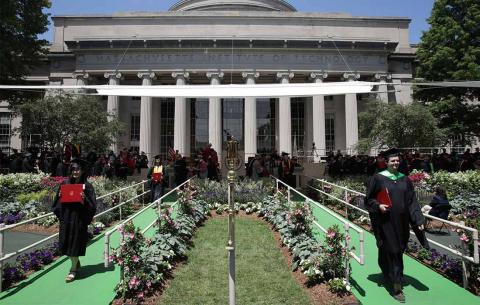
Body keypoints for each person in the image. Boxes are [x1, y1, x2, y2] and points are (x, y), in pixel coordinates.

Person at [365, 148, 425, 303]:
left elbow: (412, 202)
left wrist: (418, 220)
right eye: (393, 161)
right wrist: (378, 206)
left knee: (394, 249)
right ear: (386, 162)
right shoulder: (378, 178)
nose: (396, 163)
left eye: (398, 160)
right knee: (394, 251)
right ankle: (397, 286)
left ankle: (388, 271)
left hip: (402, 223)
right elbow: (369, 199)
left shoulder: (405, 179)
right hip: (386, 222)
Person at [52, 159, 97, 283]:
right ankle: (75, 262)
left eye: (78, 169)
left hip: (79, 219)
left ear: (82, 171)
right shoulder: (64, 184)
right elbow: (56, 204)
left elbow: (92, 206)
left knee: (75, 244)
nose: (75, 172)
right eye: (73, 169)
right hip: (66, 218)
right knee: (67, 244)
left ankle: (73, 269)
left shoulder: (87, 186)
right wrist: (61, 196)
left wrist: (84, 199)